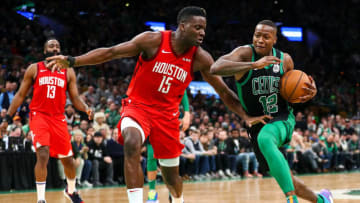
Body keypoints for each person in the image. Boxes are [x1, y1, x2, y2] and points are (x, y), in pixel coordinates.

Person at [47, 6, 269, 203]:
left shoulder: (201, 58)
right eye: (197, 27)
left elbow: (224, 92)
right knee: (132, 142)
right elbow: (111, 52)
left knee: (172, 177)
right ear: (182, 26)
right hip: (138, 107)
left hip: (167, 116)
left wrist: (245, 116)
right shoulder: (152, 41)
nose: (202, 32)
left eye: (204, 28)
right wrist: (74, 61)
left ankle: (178, 199)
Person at [210, 20, 333, 203]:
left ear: (275, 39)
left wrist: (308, 92)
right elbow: (215, 68)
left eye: (266, 37)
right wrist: (253, 65)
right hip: (258, 124)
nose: (260, 40)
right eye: (257, 35)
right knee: (285, 178)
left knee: (266, 139)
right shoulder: (244, 53)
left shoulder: (285, 60)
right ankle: (323, 200)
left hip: (282, 118)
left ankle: (292, 201)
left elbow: (295, 89)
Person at [6, 39, 92, 203]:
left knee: (68, 161)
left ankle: (71, 191)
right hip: (39, 116)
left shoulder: (68, 71)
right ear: (45, 51)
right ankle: (41, 199)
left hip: (58, 118)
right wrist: (7, 118)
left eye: (58, 46)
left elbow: (74, 98)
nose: (55, 48)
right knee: (43, 153)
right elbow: (20, 95)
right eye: (51, 46)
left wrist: (86, 107)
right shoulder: (34, 68)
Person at [146, 90, 190, 203]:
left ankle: (174, 192)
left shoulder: (174, 76)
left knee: (170, 162)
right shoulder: (149, 77)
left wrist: (187, 112)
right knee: (151, 156)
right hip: (152, 119)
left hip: (170, 120)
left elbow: (182, 90)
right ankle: (152, 193)